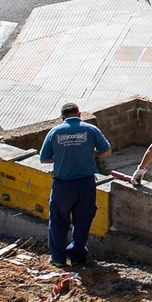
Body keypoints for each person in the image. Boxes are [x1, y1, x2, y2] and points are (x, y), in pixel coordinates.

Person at [38, 102, 112, 268]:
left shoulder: (55, 132)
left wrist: (61, 157)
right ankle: (77, 257)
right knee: (83, 221)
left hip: (62, 185)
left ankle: (58, 258)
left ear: (62, 118)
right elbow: (107, 151)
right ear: (79, 115)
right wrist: (89, 153)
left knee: (58, 221)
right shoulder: (90, 130)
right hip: (86, 184)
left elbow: (43, 159)